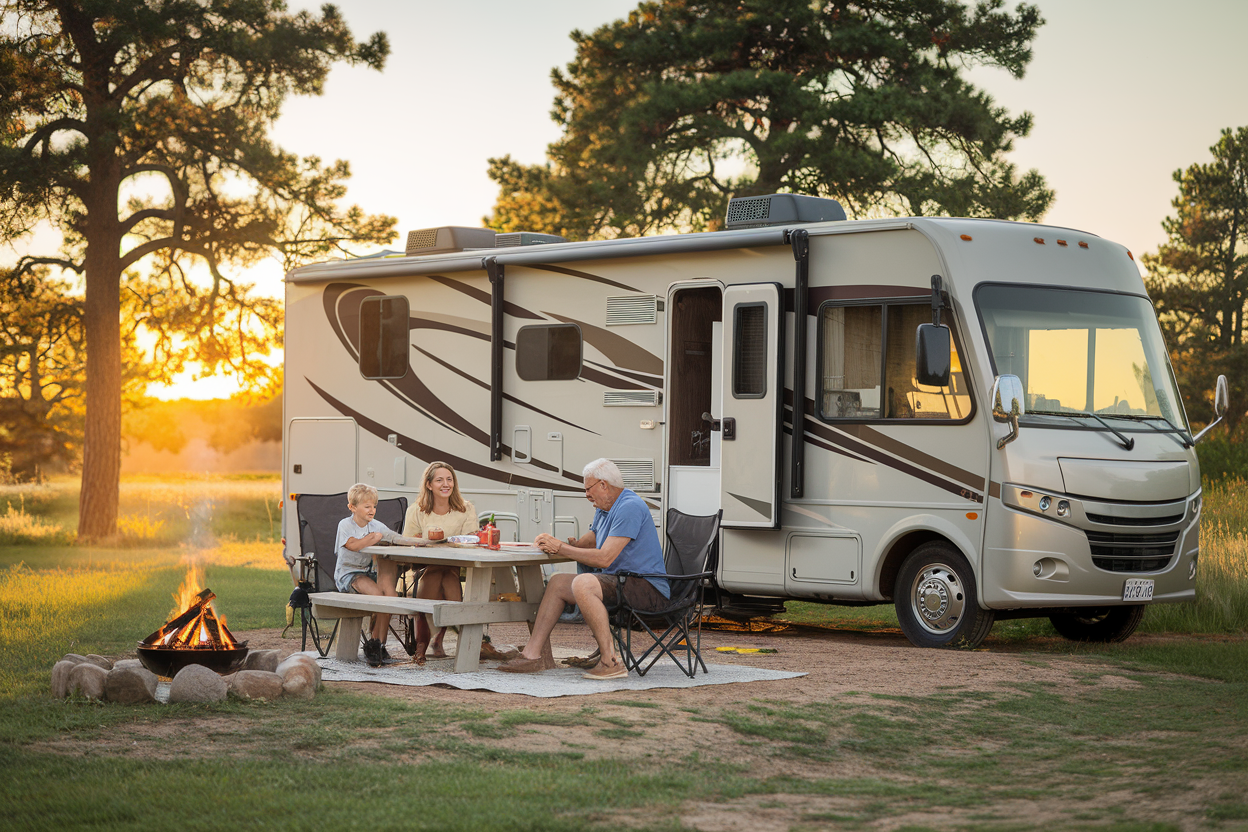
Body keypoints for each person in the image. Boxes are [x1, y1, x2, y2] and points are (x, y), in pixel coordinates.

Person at [499, 458, 669, 680]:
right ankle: (533, 656)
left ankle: (610, 662)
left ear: (603, 485)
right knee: (558, 582)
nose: (587, 495)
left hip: (646, 588)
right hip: (621, 581)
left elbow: (605, 558)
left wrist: (561, 547)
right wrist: (568, 545)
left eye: (588, 489)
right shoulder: (605, 507)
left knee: (583, 583)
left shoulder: (630, 507)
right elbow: (593, 538)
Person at [333, 482, 420, 667]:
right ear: (352, 507)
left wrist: (420, 541)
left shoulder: (376, 525)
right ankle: (374, 645)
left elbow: (395, 537)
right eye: (367, 506)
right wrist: (372, 538)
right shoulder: (346, 525)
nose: (372, 510)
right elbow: (353, 546)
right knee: (378, 595)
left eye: (374, 506)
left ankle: (377, 645)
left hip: (368, 573)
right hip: (349, 575)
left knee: (390, 596)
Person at [402, 461, 478, 663]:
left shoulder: (465, 508)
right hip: (423, 567)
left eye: (449, 479)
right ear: (429, 485)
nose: (446, 484)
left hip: (455, 565)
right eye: (439, 480)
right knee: (440, 575)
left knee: (445, 573)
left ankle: (423, 643)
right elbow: (408, 541)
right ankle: (443, 638)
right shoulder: (416, 510)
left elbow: (472, 539)